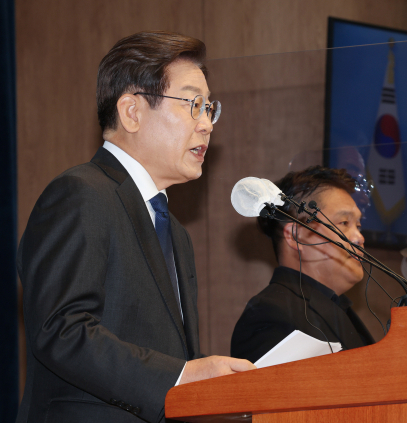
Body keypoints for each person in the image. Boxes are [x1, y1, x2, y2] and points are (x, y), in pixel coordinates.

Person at [16, 31, 254, 423]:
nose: (207, 124)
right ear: (132, 112)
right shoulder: (81, 194)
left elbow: (170, 359)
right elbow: (61, 330)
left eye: (209, 108)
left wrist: (208, 385)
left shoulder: (175, 232)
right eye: (194, 105)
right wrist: (182, 376)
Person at [231, 166, 375, 364]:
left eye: (358, 226)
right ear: (297, 236)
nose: (359, 237)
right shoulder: (270, 314)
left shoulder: (339, 309)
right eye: (344, 223)